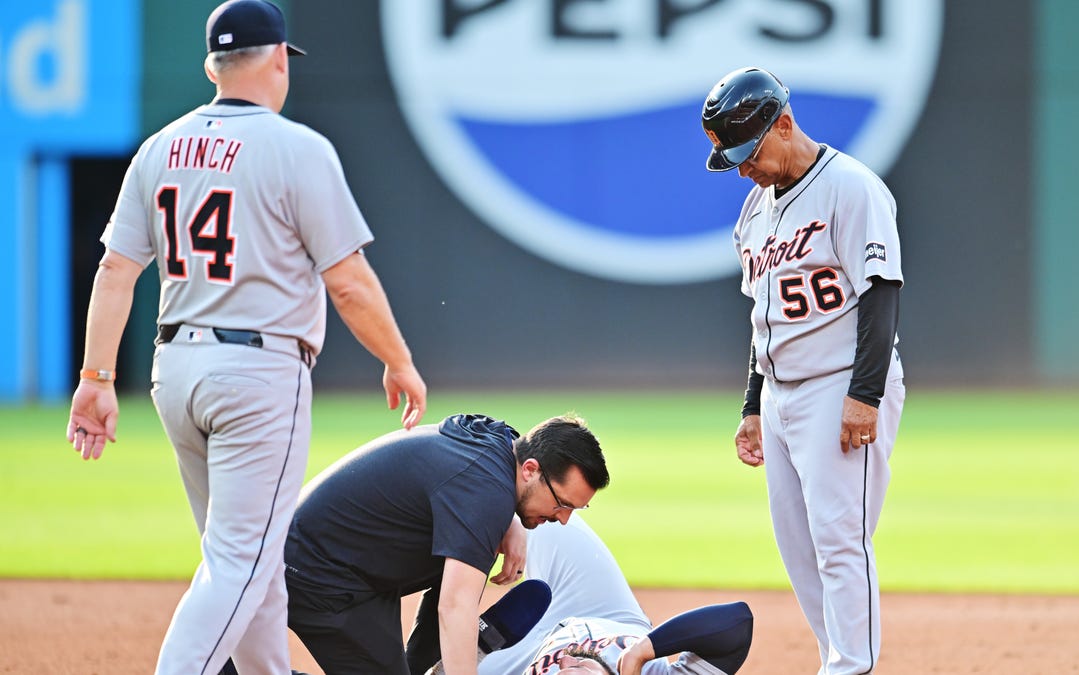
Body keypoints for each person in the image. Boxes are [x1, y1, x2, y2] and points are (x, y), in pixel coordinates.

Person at [64, 1, 427, 673]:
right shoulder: (297, 148)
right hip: (256, 375)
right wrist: (398, 359)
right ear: (280, 58)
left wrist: (95, 377)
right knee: (239, 563)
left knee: (254, 568)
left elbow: (115, 270)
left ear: (212, 67)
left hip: (175, 370)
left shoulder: (159, 147)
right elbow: (348, 281)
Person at [700, 66, 906, 674]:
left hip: (840, 383)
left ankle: (851, 667)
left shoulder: (851, 188)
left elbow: (881, 292)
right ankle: (834, 660)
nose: (743, 169)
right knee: (799, 548)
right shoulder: (753, 211)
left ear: (784, 123)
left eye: (749, 153)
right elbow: (763, 319)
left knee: (840, 539)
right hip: (781, 393)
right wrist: (752, 405)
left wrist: (864, 394)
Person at [281, 413, 611, 675]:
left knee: (472, 549)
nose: (564, 518)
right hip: (319, 574)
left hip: (346, 563)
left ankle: (420, 667)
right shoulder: (486, 494)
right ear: (530, 469)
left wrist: (510, 521)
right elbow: (455, 606)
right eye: (562, 504)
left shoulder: (500, 446)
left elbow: (478, 480)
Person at [476, 515, 753, 675]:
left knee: (457, 661)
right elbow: (737, 623)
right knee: (535, 508)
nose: (565, 662)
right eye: (576, 670)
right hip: (605, 608)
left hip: (521, 660)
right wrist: (641, 652)